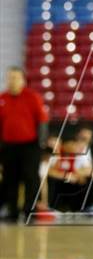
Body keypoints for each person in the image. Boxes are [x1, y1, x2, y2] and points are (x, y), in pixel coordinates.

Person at [0, 67, 49, 222]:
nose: (12, 81)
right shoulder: (2, 98)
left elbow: (42, 121)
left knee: (31, 178)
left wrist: (41, 143)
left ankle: (30, 210)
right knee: (9, 178)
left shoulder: (32, 97)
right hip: (8, 146)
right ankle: (12, 211)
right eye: (10, 78)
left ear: (23, 80)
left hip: (30, 145)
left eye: (15, 78)